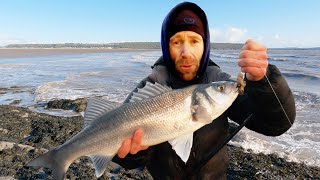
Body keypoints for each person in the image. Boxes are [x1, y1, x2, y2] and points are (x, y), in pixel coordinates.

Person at [112, 2, 296, 179]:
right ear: (166, 47)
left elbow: (276, 124)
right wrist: (133, 154)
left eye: (194, 41)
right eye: (176, 42)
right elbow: (123, 156)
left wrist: (264, 82)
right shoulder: (147, 89)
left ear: (205, 46)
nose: (185, 52)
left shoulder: (219, 84)